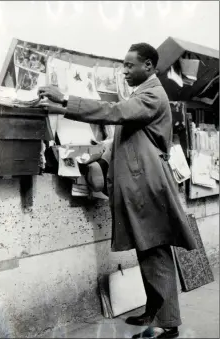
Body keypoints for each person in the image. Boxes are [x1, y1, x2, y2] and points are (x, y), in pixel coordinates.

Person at [38, 43, 197, 339]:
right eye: (123, 65)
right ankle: (154, 310)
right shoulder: (142, 94)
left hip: (148, 186)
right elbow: (122, 140)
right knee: (146, 248)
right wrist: (95, 154)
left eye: (129, 65)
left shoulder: (151, 94)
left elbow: (114, 112)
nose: (124, 70)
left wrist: (67, 100)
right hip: (141, 185)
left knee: (155, 250)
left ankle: (168, 323)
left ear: (148, 66)